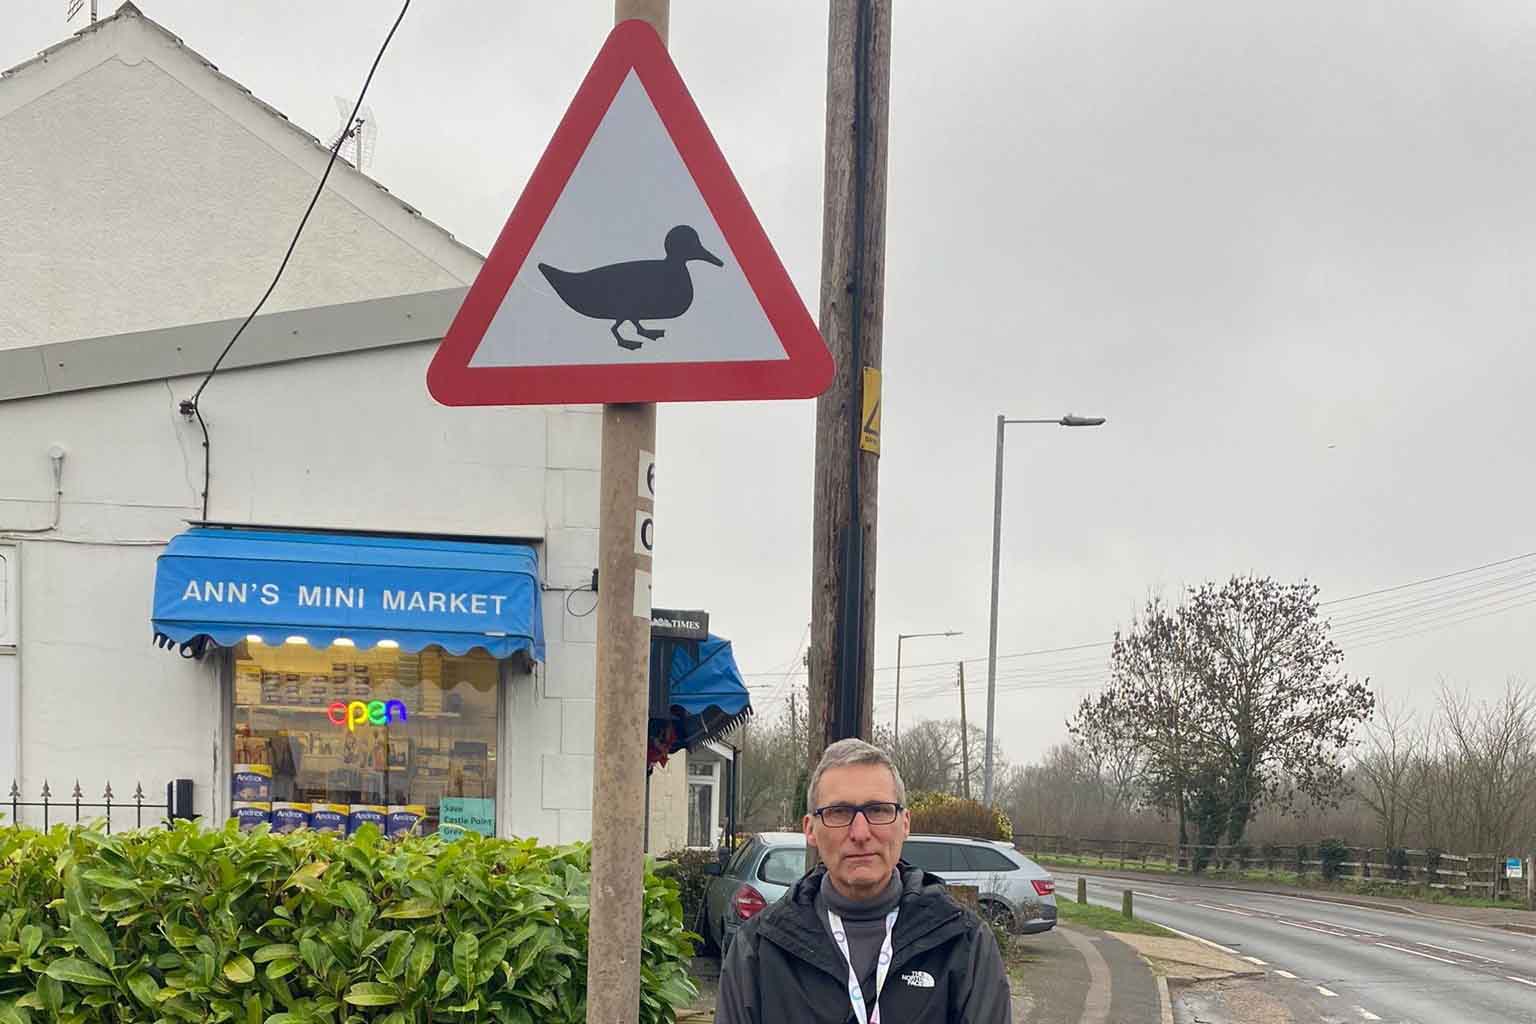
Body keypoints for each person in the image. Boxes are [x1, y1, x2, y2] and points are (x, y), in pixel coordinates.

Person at [717, 738, 1011, 1024]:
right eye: (838, 812)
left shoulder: (963, 943)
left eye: (878, 810)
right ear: (810, 830)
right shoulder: (758, 949)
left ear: (904, 823)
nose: (860, 832)